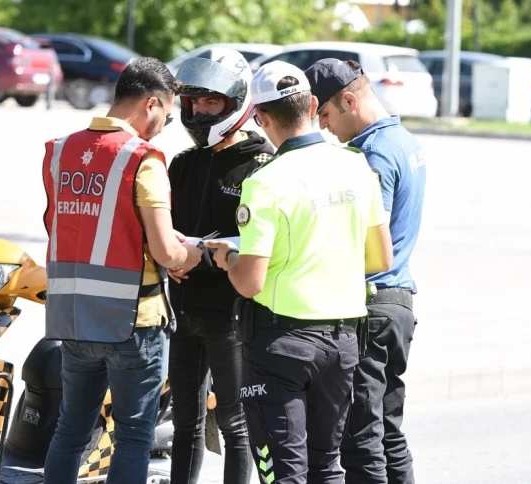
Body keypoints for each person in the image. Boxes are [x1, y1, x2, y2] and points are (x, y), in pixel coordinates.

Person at [206, 60, 393, 484]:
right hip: (343, 341)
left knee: (284, 474)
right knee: (326, 466)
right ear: (312, 104)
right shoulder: (356, 165)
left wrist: (226, 259)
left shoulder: (265, 181)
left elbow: (250, 282)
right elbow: (380, 258)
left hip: (281, 345)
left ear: (261, 117)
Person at [41, 56, 203, 484]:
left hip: (74, 319)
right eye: (167, 115)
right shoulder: (143, 159)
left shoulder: (60, 152)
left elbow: (70, 227)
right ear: (152, 104)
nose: (165, 124)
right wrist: (199, 253)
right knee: (133, 435)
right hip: (135, 322)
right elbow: (168, 252)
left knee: (71, 429)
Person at [305, 58, 426, 484]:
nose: (323, 127)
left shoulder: (371, 153)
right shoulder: (403, 139)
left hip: (370, 307)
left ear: (350, 100)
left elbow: (366, 237)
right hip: (399, 304)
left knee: (361, 440)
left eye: (325, 114)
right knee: (389, 432)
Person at [166, 47, 275, 484]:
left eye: (211, 102)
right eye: (193, 102)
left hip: (233, 315)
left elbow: (262, 241)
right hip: (183, 312)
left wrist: (202, 254)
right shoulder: (183, 163)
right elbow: (162, 228)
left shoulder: (261, 163)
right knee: (185, 424)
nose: (199, 111)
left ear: (234, 102)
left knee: (236, 423)